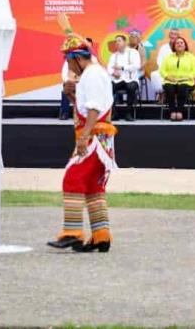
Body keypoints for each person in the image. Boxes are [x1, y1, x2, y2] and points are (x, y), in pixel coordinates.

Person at [47, 15, 117, 253]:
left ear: (77, 59)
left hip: (93, 137)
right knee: (93, 187)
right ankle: (101, 235)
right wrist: (71, 96)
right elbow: (87, 107)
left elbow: (96, 109)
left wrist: (83, 137)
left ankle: (72, 232)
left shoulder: (93, 74)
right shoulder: (91, 74)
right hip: (99, 137)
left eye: (68, 62)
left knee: (73, 179)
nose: (68, 68)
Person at [159, 35, 195, 121]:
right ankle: (172, 112)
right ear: (174, 46)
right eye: (177, 43)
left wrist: (186, 78)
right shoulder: (168, 57)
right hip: (170, 81)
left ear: (185, 45)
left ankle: (180, 111)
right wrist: (167, 77)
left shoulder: (191, 57)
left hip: (187, 82)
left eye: (181, 43)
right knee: (169, 88)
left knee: (182, 87)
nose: (179, 44)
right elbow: (162, 70)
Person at [107, 34, 141, 121]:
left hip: (131, 79)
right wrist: (113, 73)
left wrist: (122, 68)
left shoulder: (133, 52)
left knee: (131, 87)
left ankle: (128, 113)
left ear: (125, 42)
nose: (117, 43)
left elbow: (137, 65)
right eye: (116, 41)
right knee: (108, 88)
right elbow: (109, 68)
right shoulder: (114, 55)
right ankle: (114, 113)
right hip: (118, 80)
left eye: (119, 41)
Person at [147, 28, 180, 101]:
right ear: (169, 35)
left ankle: (175, 96)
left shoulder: (180, 46)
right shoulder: (164, 47)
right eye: (171, 33)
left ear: (178, 36)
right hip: (165, 70)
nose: (173, 36)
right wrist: (166, 71)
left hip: (178, 71)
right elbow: (159, 61)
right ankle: (162, 93)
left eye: (175, 34)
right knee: (154, 74)